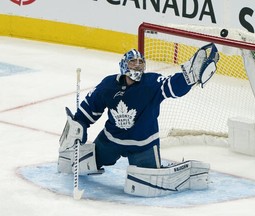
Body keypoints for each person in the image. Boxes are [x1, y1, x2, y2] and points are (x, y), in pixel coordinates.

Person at [58, 43, 219, 196]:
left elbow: (172, 87)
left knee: (148, 181)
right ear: (123, 65)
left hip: (143, 145)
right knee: (79, 164)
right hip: (111, 141)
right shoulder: (108, 85)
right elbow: (87, 112)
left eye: (140, 61)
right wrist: (77, 128)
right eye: (132, 61)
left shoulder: (151, 82)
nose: (137, 64)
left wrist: (187, 78)